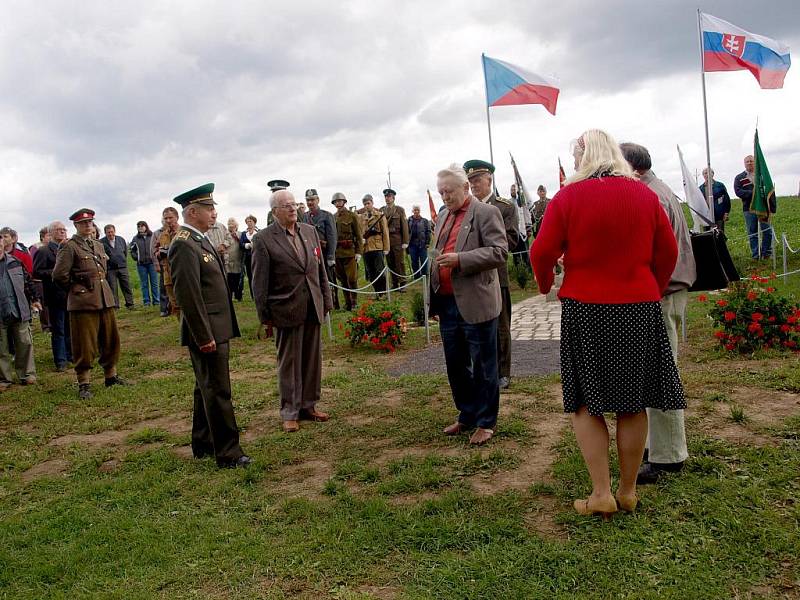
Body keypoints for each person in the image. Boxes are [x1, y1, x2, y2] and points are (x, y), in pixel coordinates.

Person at [531, 129, 684, 518]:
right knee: (634, 403)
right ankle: (628, 491)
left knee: (586, 402)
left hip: (587, 307)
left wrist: (546, 284)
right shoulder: (645, 195)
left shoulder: (567, 197)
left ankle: (601, 494)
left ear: (582, 157)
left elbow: (542, 250)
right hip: (639, 306)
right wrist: (651, 286)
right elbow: (668, 252)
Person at [621, 142, 697, 485]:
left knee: (660, 376)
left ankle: (667, 457)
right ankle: (660, 448)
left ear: (633, 168)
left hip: (661, 295)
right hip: (668, 292)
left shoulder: (651, 196)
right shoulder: (658, 189)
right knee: (659, 374)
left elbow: (653, 254)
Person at [168, 183, 250, 469]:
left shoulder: (198, 239)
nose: (214, 212)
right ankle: (228, 453)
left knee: (205, 388)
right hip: (207, 330)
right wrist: (203, 336)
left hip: (215, 326)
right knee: (218, 390)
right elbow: (188, 296)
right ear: (192, 212)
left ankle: (203, 442)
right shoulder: (183, 244)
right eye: (209, 208)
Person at [429, 164, 508, 446]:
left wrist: (461, 259)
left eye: (449, 191)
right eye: (441, 192)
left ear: (465, 188)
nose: (445, 197)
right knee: (456, 364)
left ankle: (486, 422)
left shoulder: (487, 213)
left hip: (476, 302)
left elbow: (499, 252)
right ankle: (467, 414)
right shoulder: (441, 216)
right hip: (448, 303)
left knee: (485, 365)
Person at [252, 190, 333, 433]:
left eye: (294, 205)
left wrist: (326, 301)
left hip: (312, 305)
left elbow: (320, 272)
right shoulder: (264, 239)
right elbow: (259, 282)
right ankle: (290, 411)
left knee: (312, 359)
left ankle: (309, 405)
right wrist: (265, 316)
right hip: (285, 308)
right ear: (274, 211)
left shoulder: (309, 232)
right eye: (286, 206)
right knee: (289, 363)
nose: (292, 209)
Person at [52, 209, 125, 399]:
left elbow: (103, 270)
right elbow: (59, 275)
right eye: (83, 223)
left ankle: (111, 375)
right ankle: (84, 382)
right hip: (83, 303)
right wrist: (76, 289)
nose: (87, 226)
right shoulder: (69, 246)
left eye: (90, 223)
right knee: (85, 343)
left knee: (110, 339)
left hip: (104, 299)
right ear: (76, 226)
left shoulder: (97, 245)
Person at [464, 159, 519, 390]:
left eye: (477, 180)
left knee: (501, 325)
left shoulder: (504, 207)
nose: (474, 185)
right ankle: (483, 370)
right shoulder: (466, 208)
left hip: (497, 275)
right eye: (470, 181)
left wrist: (479, 250)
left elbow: (512, 241)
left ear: (489, 179)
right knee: (475, 325)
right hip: (471, 278)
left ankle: (503, 372)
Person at [0, 239, 40, 390]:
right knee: (1, 347)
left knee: (24, 343)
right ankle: (4, 379)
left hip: (19, 309)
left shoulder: (15, 261)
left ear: (3, 245)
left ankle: (27, 374)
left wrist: (35, 299)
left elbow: (28, 281)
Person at [33, 221, 73, 371]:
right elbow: (37, 271)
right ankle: (61, 361)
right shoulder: (44, 251)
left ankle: (70, 355)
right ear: (51, 233)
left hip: (70, 295)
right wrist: (57, 273)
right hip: (55, 296)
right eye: (59, 230)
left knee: (70, 327)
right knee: (58, 329)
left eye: (64, 229)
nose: (62, 232)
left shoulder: (69, 248)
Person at [303, 189, 338, 309]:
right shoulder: (305, 217)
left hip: (324, 252)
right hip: (311, 254)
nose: (310, 203)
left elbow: (332, 236)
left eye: (312, 200)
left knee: (329, 278)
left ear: (318, 200)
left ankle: (333, 301)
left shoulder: (326, 215)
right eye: (308, 200)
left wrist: (331, 256)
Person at [734, 155, 773, 259]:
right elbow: (738, 191)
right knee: (752, 233)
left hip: (763, 208)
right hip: (748, 208)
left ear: (754, 162)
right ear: (744, 163)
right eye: (747, 162)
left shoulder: (761, 175)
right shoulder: (739, 177)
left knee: (767, 231)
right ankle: (756, 255)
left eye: (751, 161)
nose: (749, 163)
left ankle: (766, 253)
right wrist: (753, 194)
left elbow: (768, 188)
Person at [333, 192, 363, 310]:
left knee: (352, 279)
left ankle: (354, 302)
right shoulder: (333, 217)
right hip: (337, 253)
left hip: (350, 252)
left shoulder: (352, 216)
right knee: (342, 279)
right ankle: (347, 302)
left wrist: (359, 252)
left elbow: (359, 235)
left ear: (344, 202)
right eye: (336, 202)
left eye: (340, 201)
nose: (338, 203)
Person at [358, 194, 390, 297]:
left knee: (379, 271)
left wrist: (386, 248)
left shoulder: (379, 215)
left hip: (377, 246)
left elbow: (385, 232)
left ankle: (383, 292)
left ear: (372, 203)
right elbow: (360, 232)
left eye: (368, 203)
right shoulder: (362, 217)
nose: (367, 205)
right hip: (366, 248)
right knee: (371, 272)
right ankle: (377, 291)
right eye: (365, 204)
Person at [381, 189, 409, 291]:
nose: (387, 198)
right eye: (386, 197)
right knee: (390, 262)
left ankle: (402, 283)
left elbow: (404, 226)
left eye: (389, 197)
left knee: (399, 262)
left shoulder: (399, 210)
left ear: (393, 198)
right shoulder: (382, 210)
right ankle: (394, 283)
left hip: (397, 240)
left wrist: (405, 241)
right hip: (387, 241)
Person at [154, 207, 181, 316]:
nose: (168, 220)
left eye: (171, 217)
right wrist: (160, 253)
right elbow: (156, 250)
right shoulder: (162, 235)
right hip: (168, 275)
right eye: (166, 218)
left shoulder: (183, 232)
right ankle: (183, 329)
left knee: (185, 302)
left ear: (177, 217)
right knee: (175, 304)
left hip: (182, 273)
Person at [100, 224, 134, 309]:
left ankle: (130, 304)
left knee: (126, 286)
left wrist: (122, 261)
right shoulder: (101, 242)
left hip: (122, 267)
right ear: (105, 233)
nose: (110, 234)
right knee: (113, 288)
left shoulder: (121, 239)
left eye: (112, 232)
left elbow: (125, 252)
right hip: (110, 269)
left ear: (114, 231)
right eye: (108, 232)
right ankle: (115, 306)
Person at [129, 221, 159, 307]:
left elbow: (157, 246)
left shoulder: (152, 236)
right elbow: (132, 250)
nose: (140, 228)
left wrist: (155, 257)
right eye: (138, 227)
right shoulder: (135, 238)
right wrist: (136, 257)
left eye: (142, 226)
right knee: (144, 284)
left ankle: (156, 301)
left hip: (152, 263)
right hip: (141, 264)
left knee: (154, 283)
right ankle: (146, 302)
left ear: (146, 226)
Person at [510, 184, 533, 271]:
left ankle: (527, 269)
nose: (513, 191)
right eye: (511, 189)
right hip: (514, 231)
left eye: (514, 189)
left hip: (523, 230)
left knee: (525, 250)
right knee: (515, 251)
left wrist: (528, 229)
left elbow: (527, 215)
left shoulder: (522, 202)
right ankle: (518, 269)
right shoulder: (508, 202)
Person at [407, 205, 432, 277]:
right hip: (412, 244)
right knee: (414, 260)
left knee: (423, 260)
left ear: (419, 211)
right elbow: (406, 231)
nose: (416, 211)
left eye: (417, 210)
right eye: (415, 210)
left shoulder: (424, 220)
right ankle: (416, 276)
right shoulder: (409, 220)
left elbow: (428, 232)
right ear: (412, 211)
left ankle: (424, 275)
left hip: (422, 243)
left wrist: (427, 242)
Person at [239, 215, 259, 298]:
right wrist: (247, 245)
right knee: (250, 276)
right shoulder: (244, 234)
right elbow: (241, 244)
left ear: (254, 222)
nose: (249, 223)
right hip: (248, 258)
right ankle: (253, 295)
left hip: (258, 257)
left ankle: (259, 294)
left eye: (250, 221)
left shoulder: (259, 232)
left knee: (258, 275)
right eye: (247, 222)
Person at [225, 218, 244, 301]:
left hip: (238, 259)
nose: (231, 227)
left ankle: (238, 295)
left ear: (236, 226)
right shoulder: (225, 234)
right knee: (229, 278)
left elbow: (243, 244)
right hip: (228, 258)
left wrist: (237, 237)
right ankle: (230, 295)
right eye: (229, 226)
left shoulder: (240, 234)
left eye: (233, 226)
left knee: (238, 277)